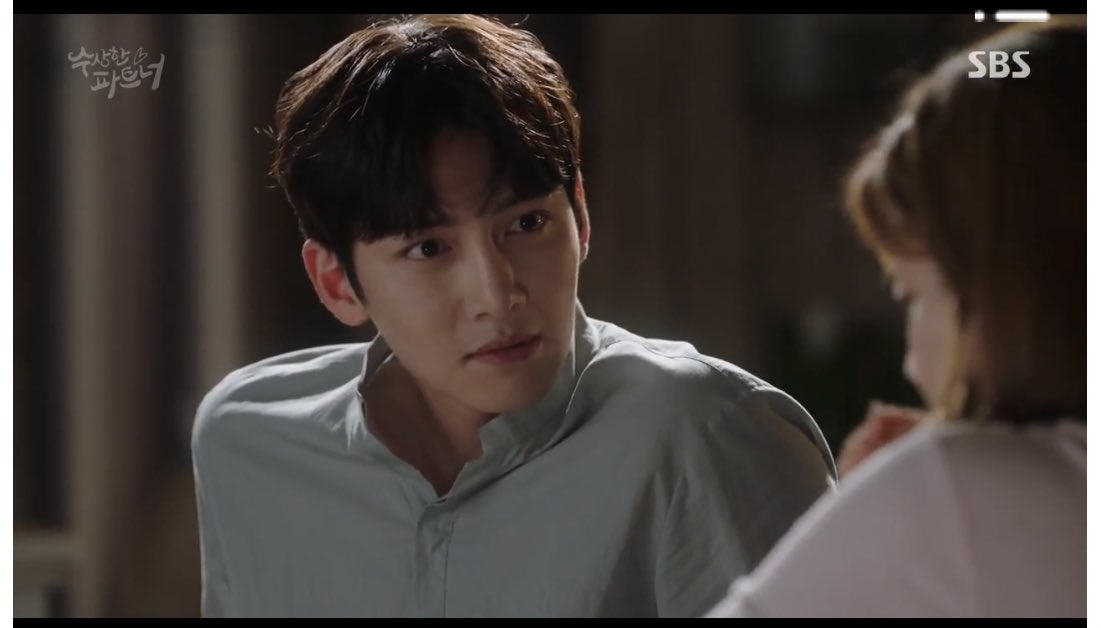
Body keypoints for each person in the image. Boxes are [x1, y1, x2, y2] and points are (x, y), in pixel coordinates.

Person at [191, 14, 835, 618]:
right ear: (337, 282)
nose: (497, 297)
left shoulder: (701, 432)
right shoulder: (251, 442)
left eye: (527, 224)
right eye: (428, 249)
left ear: (579, 216)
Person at [707, 19, 1085, 618]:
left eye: (913, 296)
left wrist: (886, 516)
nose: (910, 362)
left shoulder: (963, 490)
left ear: (1008, 291)